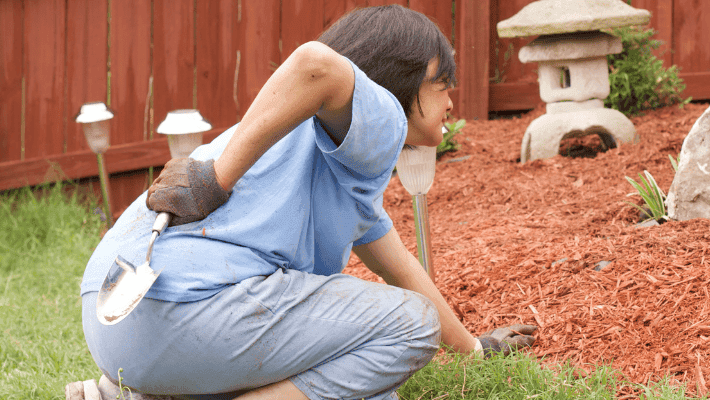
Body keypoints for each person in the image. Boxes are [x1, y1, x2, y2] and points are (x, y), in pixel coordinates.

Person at [72, 5, 536, 400]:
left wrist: (475, 349)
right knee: (410, 327)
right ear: (394, 81)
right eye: (442, 83)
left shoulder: (314, 153)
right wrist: (213, 180)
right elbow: (315, 62)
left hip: (115, 314)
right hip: (189, 310)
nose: (451, 100)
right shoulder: (381, 122)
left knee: (374, 388)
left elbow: (401, 268)